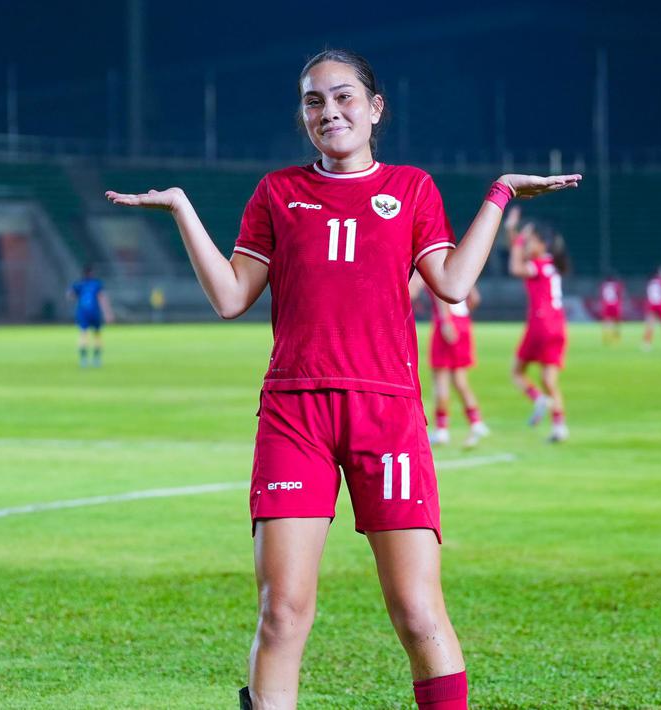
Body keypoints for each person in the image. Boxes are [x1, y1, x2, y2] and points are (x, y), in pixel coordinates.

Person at [105, 48, 580, 710]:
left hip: (387, 413)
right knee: (282, 612)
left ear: (375, 108)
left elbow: (452, 283)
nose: (329, 111)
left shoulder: (411, 188)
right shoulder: (276, 192)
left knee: (417, 611)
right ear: (303, 116)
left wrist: (499, 194)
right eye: (314, 101)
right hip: (294, 415)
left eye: (343, 96)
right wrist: (184, 209)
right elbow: (230, 297)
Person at [505, 212, 571, 443]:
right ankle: (559, 426)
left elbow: (515, 266)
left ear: (543, 244)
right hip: (558, 326)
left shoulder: (537, 266)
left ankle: (537, 398)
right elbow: (519, 252)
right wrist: (512, 231)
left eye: (531, 241)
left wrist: (517, 238)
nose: (526, 245)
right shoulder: (551, 264)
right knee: (549, 380)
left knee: (516, 372)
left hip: (540, 325)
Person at [410, 273, 489, 448]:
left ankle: (441, 430)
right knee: (460, 380)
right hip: (463, 322)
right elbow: (475, 298)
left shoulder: (432, 264)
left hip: (446, 324)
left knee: (440, 380)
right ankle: (476, 422)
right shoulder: (459, 265)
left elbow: (417, 292)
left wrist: (446, 320)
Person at [68, 264, 115, 367]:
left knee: (83, 334)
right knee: (97, 335)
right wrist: (108, 313)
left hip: (83, 312)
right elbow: (102, 298)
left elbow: (70, 295)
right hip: (94, 312)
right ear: (91, 273)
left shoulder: (79, 284)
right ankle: (96, 359)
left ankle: (83, 359)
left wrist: (78, 297)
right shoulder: (96, 284)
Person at [597, 271, 624, 345]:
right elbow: (619, 294)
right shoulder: (616, 285)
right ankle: (616, 337)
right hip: (615, 304)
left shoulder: (603, 285)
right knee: (617, 321)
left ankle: (607, 336)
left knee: (607, 321)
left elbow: (602, 295)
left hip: (606, 304)